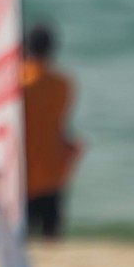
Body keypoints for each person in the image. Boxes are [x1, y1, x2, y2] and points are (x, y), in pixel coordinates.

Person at [22, 23, 84, 239]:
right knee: (52, 235)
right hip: (54, 168)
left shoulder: (17, 84)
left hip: (23, 170)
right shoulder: (64, 84)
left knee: (21, 235)